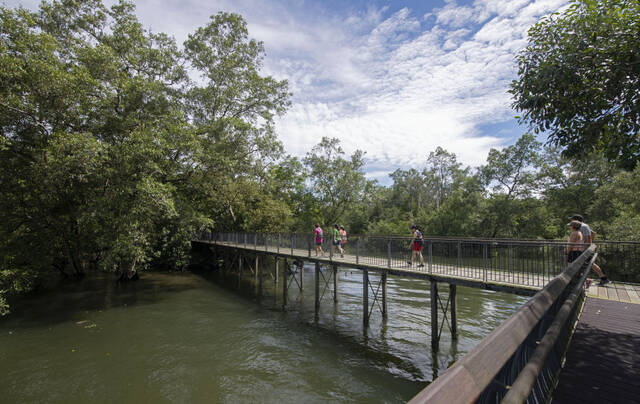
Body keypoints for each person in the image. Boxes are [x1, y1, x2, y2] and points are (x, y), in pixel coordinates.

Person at [570, 214, 609, 286]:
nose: (571, 221)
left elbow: (588, 237)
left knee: (588, 264)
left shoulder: (583, 226)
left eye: (572, 219)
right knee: (589, 264)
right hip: (584, 248)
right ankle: (602, 278)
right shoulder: (584, 226)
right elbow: (593, 233)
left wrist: (586, 247)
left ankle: (597, 279)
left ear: (576, 220)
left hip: (584, 249)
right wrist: (590, 243)